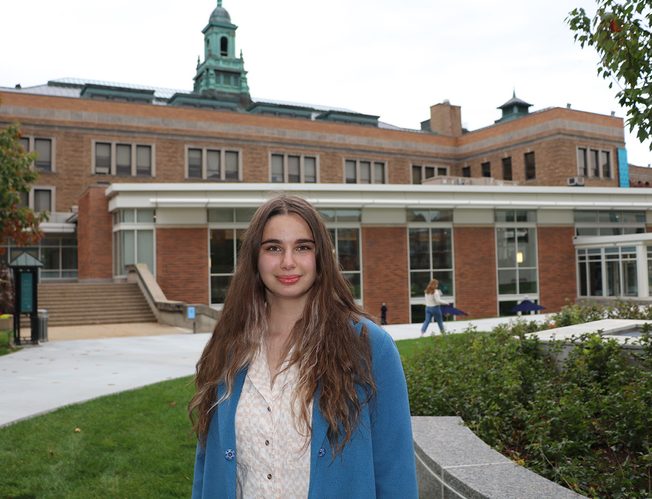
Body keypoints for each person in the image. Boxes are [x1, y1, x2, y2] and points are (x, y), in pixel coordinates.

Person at [189, 194, 418, 499]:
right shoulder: (228, 346)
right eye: (273, 248)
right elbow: (206, 465)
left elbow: (395, 470)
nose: (288, 262)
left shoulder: (369, 346)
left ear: (320, 256)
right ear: (254, 259)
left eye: (302, 247)